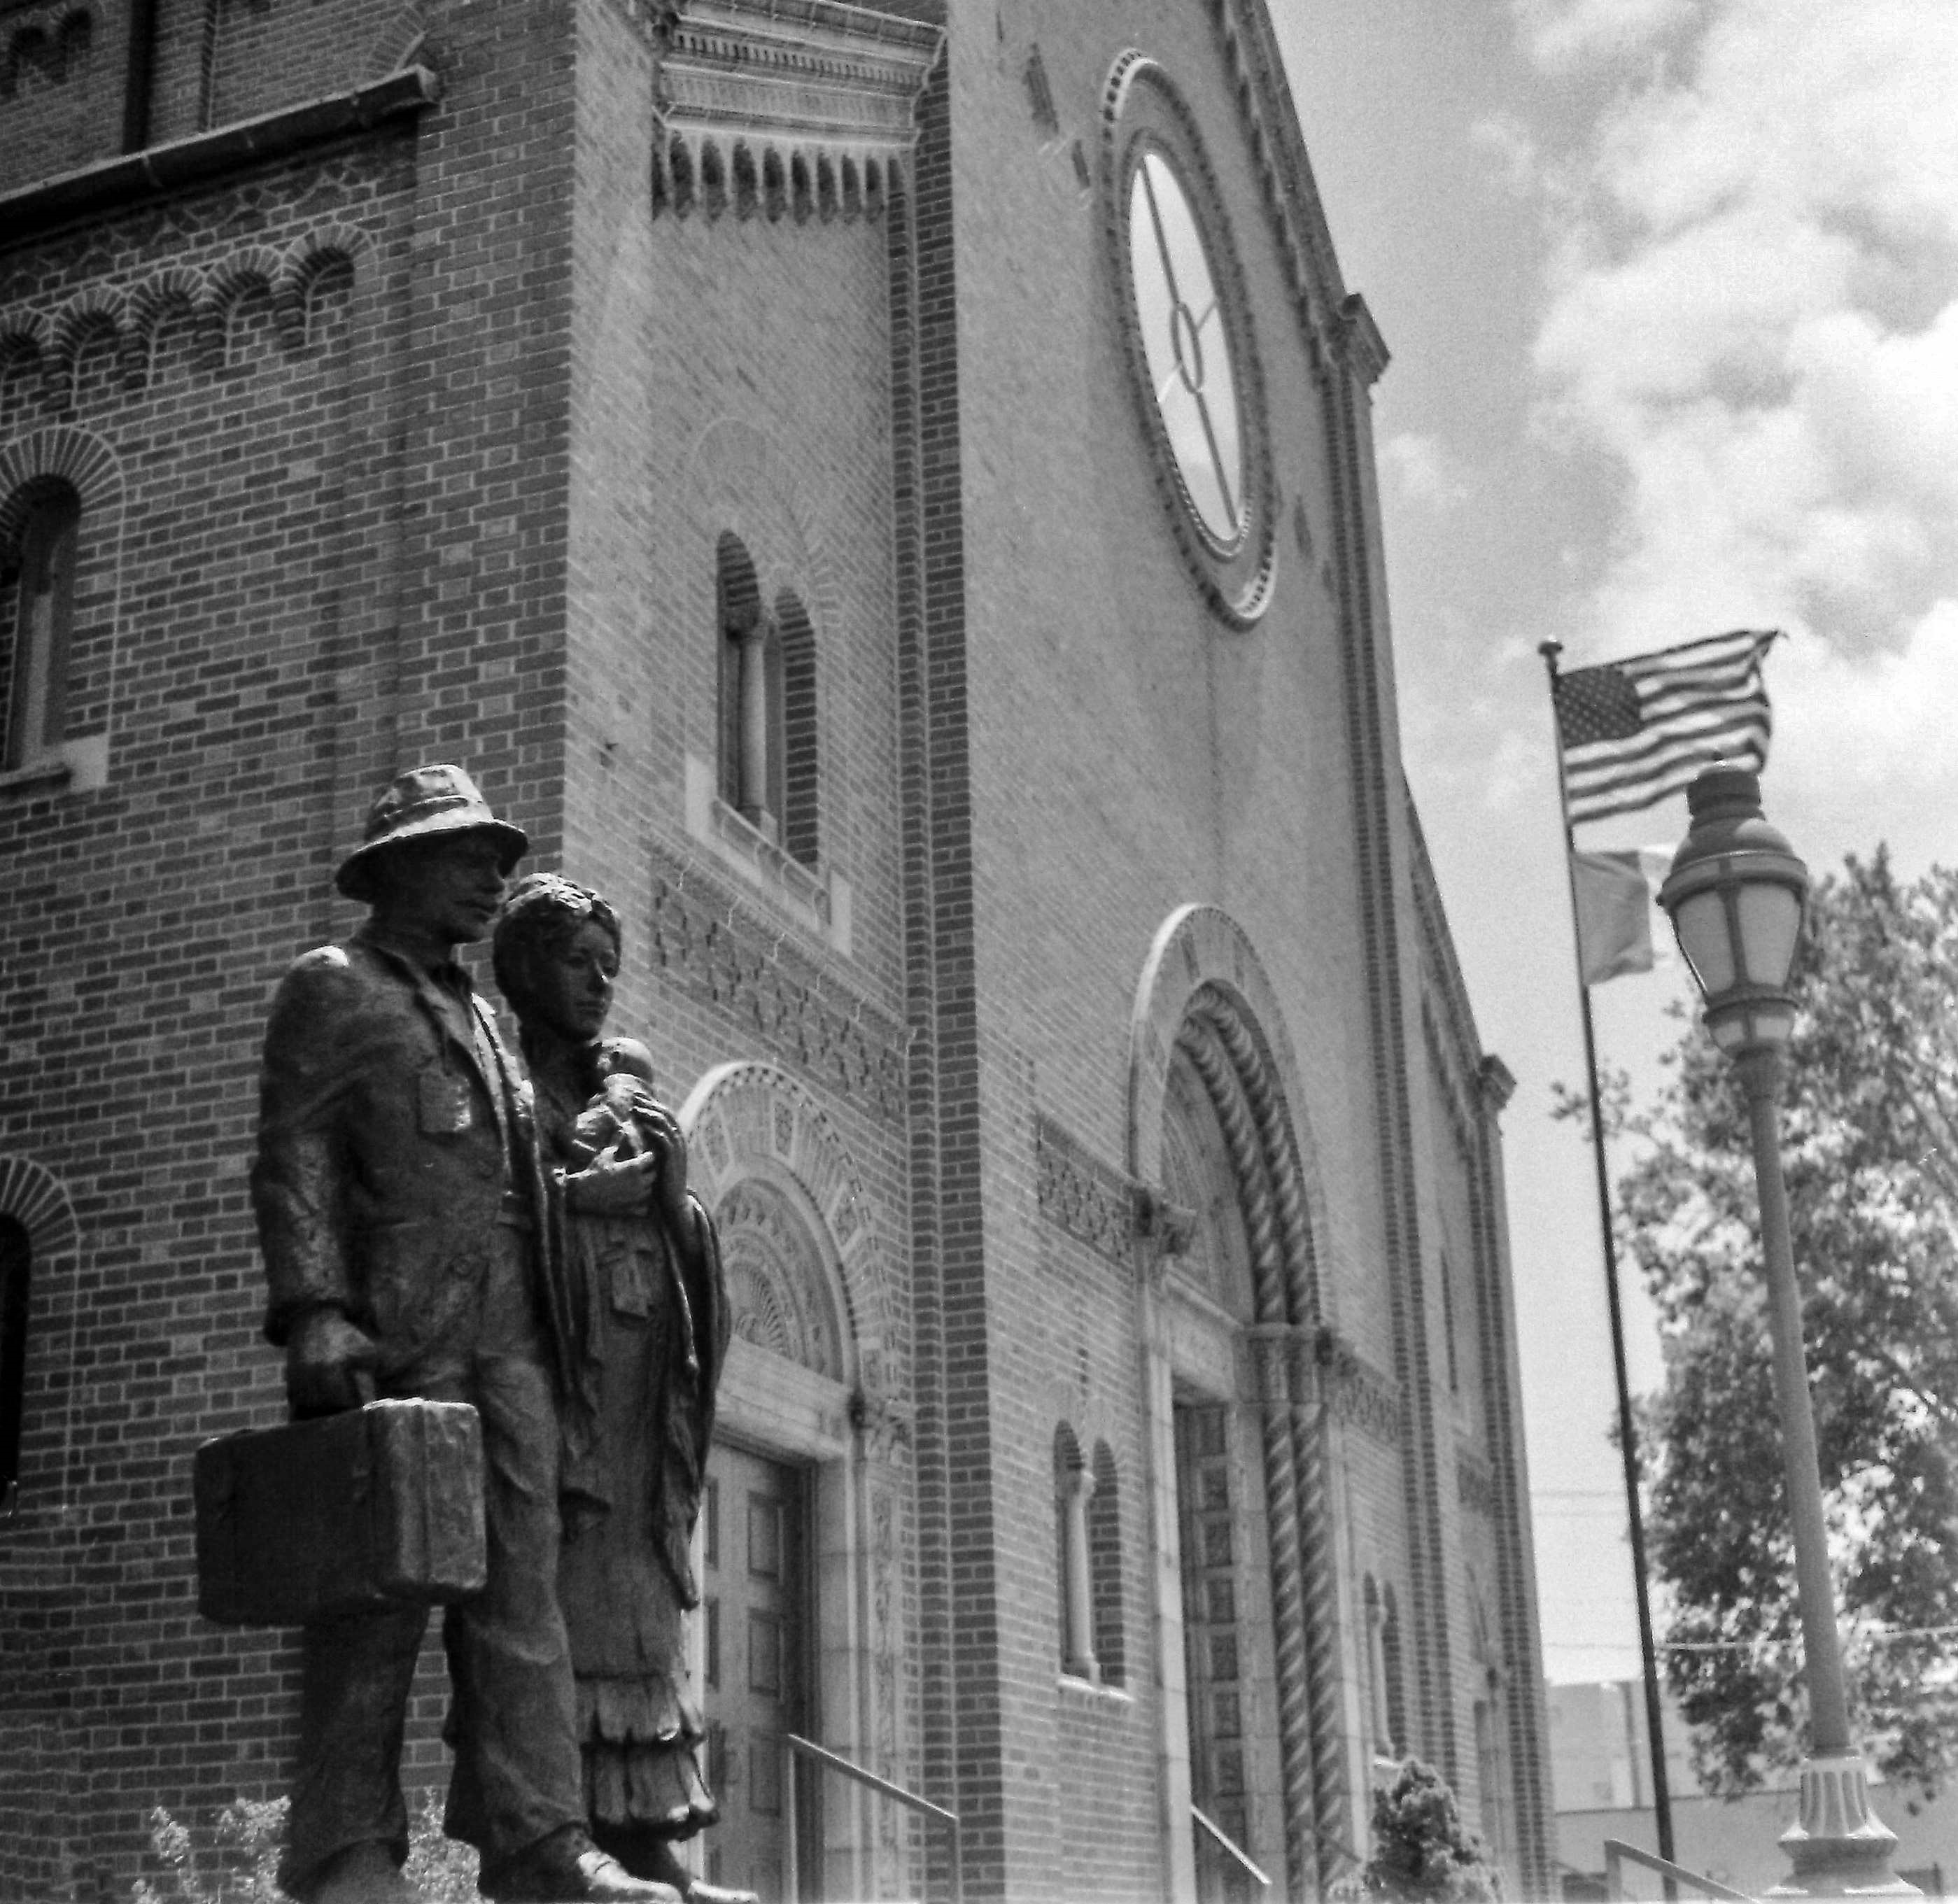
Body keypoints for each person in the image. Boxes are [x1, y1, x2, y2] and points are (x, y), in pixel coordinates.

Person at [250, 766, 677, 1904]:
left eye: (499, 861)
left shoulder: (486, 1016)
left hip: (511, 1333)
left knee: (523, 1592)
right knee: (378, 1598)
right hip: (397, 1333)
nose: (493, 880)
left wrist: (594, 1186)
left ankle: (545, 1844)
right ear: (401, 868)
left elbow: (516, 1168)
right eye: (468, 858)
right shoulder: (334, 986)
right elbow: (294, 1155)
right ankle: (347, 1852)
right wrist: (315, 1309)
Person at [492, 875, 744, 1904]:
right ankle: (561, 1840)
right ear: (524, 968)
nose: (599, 983)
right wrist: (577, 1198)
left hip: (642, 1395)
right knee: (561, 1615)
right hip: (560, 1390)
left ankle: (646, 1842)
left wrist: (676, 1202)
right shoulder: (506, 1088)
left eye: (610, 966)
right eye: (577, 961)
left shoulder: (622, 1090)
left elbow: (689, 1251)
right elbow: (478, 1223)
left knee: (640, 1608)